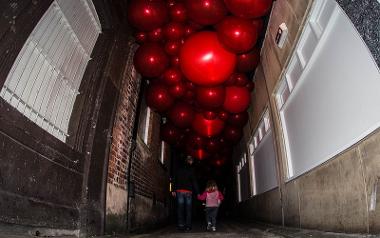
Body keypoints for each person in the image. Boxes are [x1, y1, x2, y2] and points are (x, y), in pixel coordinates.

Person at [172, 155, 199, 231]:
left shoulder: (178, 169)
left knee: (180, 209)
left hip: (179, 191)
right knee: (188, 210)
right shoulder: (191, 169)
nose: (192, 162)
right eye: (192, 161)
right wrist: (198, 192)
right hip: (188, 192)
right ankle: (188, 226)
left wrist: (173, 190)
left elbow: (174, 179)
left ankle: (180, 225)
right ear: (189, 161)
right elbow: (194, 181)